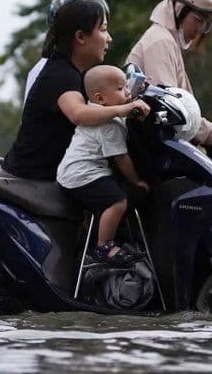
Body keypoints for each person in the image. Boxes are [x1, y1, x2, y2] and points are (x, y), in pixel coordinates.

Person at [0, 0, 149, 180]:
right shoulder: (61, 75)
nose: (109, 38)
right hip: (28, 183)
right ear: (80, 37)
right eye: (103, 30)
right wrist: (124, 109)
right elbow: (79, 114)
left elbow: (98, 106)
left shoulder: (72, 72)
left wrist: (129, 94)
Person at [125, 0, 212, 162]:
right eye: (198, 20)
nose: (201, 30)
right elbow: (172, 111)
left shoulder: (167, 41)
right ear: (178, 10)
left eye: (207, 23)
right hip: (147, 154)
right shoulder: (160, 42)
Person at [57, 65, 149, 264]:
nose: (126, 92)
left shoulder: (97, 111)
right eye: (119, 89)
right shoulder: (109, 125)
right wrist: (136, 181)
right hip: (82, 174)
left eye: (126, 86)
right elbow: (121, 159)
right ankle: (103, 246)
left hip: (78, 170)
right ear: (100, 99)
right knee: (118, 200)